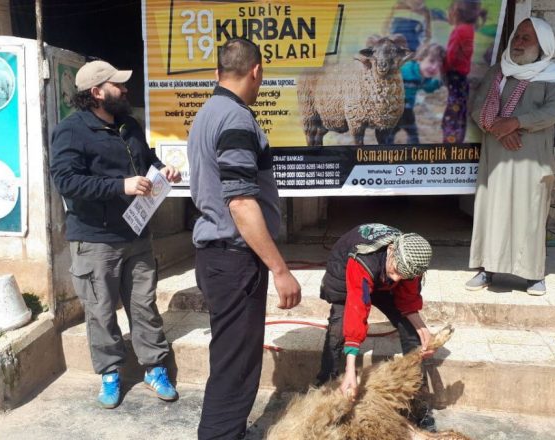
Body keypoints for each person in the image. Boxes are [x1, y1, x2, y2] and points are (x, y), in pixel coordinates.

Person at [187, 38, 302, 439]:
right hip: (235, 259)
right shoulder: (236, 119)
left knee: (230, 357)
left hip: (218, 257)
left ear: (218, 72)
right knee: (236, 366)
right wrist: (280, 268)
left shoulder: (208, 112)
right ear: (256, 72)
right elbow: (240, 203)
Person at [50, 60, 182, 409]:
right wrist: (119, 185)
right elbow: (66, 181)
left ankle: (154, 367)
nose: (125, 90)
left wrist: (161, 170)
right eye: (117, 85)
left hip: (136, 234)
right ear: (96, 92)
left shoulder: (129, 125)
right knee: (101, 309)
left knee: (144, 304)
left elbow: (146, 160)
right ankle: (110, 372)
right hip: (95, 239)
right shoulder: (71, 131)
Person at [466, 17, 555, 295]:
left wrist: (515, 122)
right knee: (492, 211)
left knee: (530, 213)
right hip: (497, 154)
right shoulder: (497, 72)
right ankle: (487, 269)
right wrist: (500, 130)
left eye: (527, 38)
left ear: (542, 45)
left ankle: (533, 275)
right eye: (517, 36)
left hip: (531, 157)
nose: (519, 43)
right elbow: (477, 107)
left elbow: (551, 112)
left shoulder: (553, 75)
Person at [316, 223, 436, 431]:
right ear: (391, 251)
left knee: (411, 333)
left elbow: (407, 299)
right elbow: (357, 308)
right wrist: (351, 369)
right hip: (347, 272)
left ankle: (417, 401)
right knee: (338, 329)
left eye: (404, 275)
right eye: (398, 271)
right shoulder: (363, 260)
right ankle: (327, 387)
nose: (398, 278)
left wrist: (422, 329)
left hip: (381, 277)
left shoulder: (409, 263)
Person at [442, 0, 481, 143]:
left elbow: (451, 56)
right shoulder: (469, 28)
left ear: (457, 12)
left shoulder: (459, 30)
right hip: (462, 77)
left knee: (454, 109)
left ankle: (450, 140)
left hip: (455, 76)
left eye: (450, 9)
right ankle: (457, 138)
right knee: (460, 109)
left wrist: (443, 69)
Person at [396, 42, 445, 144]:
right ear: (420, 58)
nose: (434, 67)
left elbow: (428, 88)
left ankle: (413, 153)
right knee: (388, 136)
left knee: (413, 135)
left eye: (439, 64)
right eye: (431, 61)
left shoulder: (423, 77)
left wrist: (439, 83)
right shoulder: (405, 70)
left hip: (407, 110)